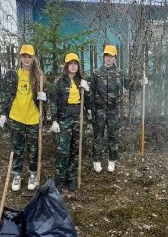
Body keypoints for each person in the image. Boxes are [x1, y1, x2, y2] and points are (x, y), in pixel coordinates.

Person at [0, 44, 47, 191]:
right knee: (17, 148)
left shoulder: (39, 76)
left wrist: (45, 97)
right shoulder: (12, 74)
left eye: (29, 56)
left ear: (33, 58)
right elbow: (5, 94)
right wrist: (3, 113)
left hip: (33, 117)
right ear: (20, 57)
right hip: (16, 117)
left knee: (33, 148)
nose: (27, 59)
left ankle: (33, 173)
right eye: (24, 56)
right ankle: (17, 174)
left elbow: (45, 97)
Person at [50, 53, 91, 192]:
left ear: (78, 66)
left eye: (76, 63)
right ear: (66, 66)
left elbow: (89, 103)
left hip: (79, 118)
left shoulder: (81, 81)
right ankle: (59, 179)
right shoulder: (60, 82)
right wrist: (54, 120)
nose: (73, 66)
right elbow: (54, 101)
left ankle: (71, 178)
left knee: (76, 149)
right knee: (63, 150)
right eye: (71, 63)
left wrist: (88, 90)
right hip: (64, 118)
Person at [89, 44, 133, 173]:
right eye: (106, 55)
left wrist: (141, 83)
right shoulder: (96, 73)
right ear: (103, 57)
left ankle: (112, 161)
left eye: (111, 56)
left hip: (114, 110)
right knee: (98, 136)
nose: (108, 58)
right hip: (100, 110)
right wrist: (91, 109)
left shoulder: (119, 73)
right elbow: (91, 92)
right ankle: (96, 161)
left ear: (115, 58)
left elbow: (130, 85)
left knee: (113, 136)